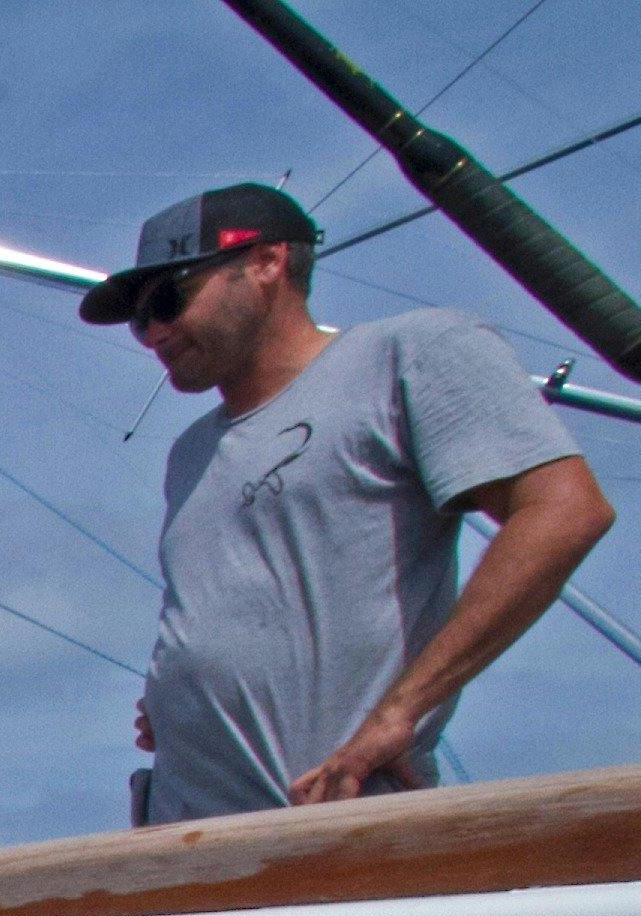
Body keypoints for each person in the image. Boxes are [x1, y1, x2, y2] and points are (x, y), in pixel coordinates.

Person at [86, 183, 613, 818]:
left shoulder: (408, 355)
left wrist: (400, 714)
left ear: (267, 263)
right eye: (141, 321)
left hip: (329, 821)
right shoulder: (190, 453)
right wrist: (179, 699)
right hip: (185, 834)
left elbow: (564, 511)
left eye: (168, 300)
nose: (154, 334)